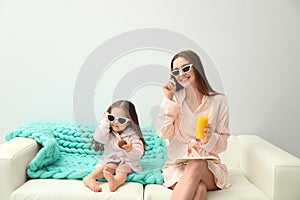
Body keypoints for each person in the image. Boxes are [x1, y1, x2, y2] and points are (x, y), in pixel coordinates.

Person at [156, 50, 231, 200]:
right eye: (176, 71)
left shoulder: (218, 101)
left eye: (185, 68)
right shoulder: (175, 100)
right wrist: (168, 99)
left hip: (207, 166)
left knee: (197, 163)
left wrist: (210, 137)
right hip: (177, 165)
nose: (181, 74)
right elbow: (164, 133)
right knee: (200, 190)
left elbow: (223, 144)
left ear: (196, 68)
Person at [83, 100, 146, 192]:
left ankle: (116, 182)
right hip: (111, 160)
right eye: (112, 118)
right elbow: (98, 138)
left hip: (128, 162)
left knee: (123, 169)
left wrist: (131, 149)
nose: (115, 122)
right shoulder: (107, 132)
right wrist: (105, 121)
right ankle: (90, 178)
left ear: (129, 122)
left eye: (121, 120)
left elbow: (139, 153)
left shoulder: (133, 136)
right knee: (108, 166)